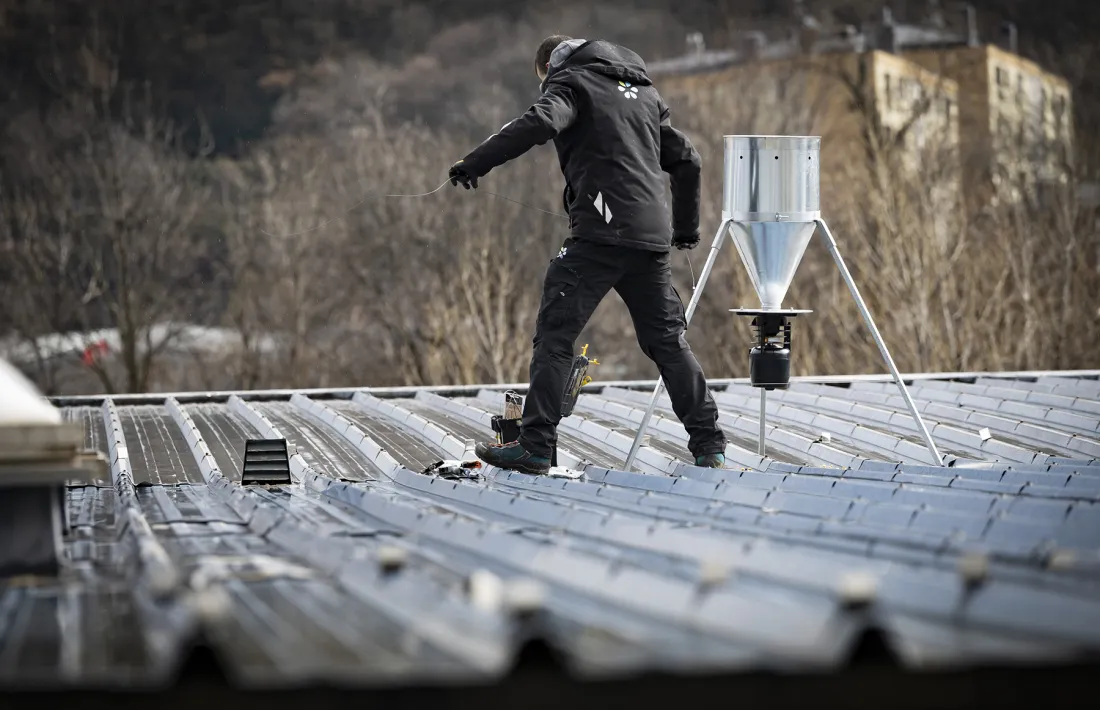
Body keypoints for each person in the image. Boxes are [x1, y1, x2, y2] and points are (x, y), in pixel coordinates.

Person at [449, 35, 727, 474]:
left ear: (549, 67)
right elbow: (688, 160)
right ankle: (710, 448)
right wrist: (687, 230)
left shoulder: (571, 84)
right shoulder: (646, 94)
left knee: (556, 337)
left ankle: (535, 446)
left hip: (599, 234)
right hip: (652, 239)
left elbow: (540, 121)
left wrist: (475, 162)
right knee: (669, 343)